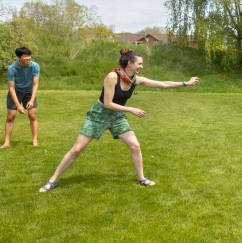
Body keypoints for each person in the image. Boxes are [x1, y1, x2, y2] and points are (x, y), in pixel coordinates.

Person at [39, 48, 200, 192]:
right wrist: (131, 109)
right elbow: (108, 104)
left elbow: (162, 84)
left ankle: (142, 179)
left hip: (117, 117)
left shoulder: (136, 79)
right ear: (130, 63)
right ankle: (52, 180)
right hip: (99, 115)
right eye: (140, 64)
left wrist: (186, 83)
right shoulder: (112, 76)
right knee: (77, 149)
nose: (141, 67)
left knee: (135, 145)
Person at [2, 47, 40, 148]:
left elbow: (35, 84)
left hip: (29, 92)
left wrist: (32, 100)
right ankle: (6, 142)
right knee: (11, 116)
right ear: (19, 57)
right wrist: (18, 105)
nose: (28, 58)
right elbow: (11, 87)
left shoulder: (35, 66)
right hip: (16, 91)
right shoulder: (12, 68)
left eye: (29, 55)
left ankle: (35, 141)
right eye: (25, 56)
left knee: (32, 115)